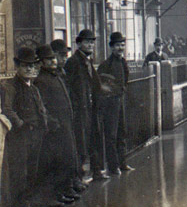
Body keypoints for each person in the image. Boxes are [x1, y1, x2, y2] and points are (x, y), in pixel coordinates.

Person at [2, 47, 48, 207]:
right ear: (17, 66)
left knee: (32, 172)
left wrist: (43, 125)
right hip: (20, 138)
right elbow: (8, 110)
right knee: (19, 174)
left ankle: (26, 205)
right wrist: (21, 125)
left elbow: (41, 109)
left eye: (32, 66)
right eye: (25, 66)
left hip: (35, 135)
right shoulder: (10, 86)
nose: (30, 69)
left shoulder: (33, 88)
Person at [34, 45, 80, 207]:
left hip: (65, 124)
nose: (53, 61)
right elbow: (42, 105)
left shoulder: (56, 76)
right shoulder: (41, 80)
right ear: (41, 63)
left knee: (66, 158)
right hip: (54, 128)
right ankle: (52, 196)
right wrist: (53, 122)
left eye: (53, 58)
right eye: (49, 59)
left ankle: (63, 191)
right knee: (53, 162)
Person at [64, 29, 107, 181]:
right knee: (81, 143)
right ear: (79, 43)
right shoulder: (73, 62)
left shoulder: (87, 61)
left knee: (94, 139)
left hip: (90, 108)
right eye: (87, 42)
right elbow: (68, 87)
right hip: (81, 110)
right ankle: (81, 176)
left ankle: (96, 171)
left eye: (92, 42)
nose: (90, 45)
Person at [50, 38, 87, 194]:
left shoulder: (61, 72)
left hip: (70, 115)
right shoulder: (53, 74)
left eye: (65, 56)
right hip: (58, 120)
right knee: (63, 153)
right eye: (60, 56)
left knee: (74, 149)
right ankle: (66, 186)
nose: (63, 59)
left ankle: (73, 180)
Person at [95, 32, 134, 176]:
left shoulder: (123, 62)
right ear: (111, 47)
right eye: (117, 45)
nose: (120, 48)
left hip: (119, 101)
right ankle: (113, 166)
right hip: (109, 103)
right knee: (111, 135)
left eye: (122, 45)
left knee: (121, 132)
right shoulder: (106, 65)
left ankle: (122, 163)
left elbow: (125, 81)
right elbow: (101, 84)